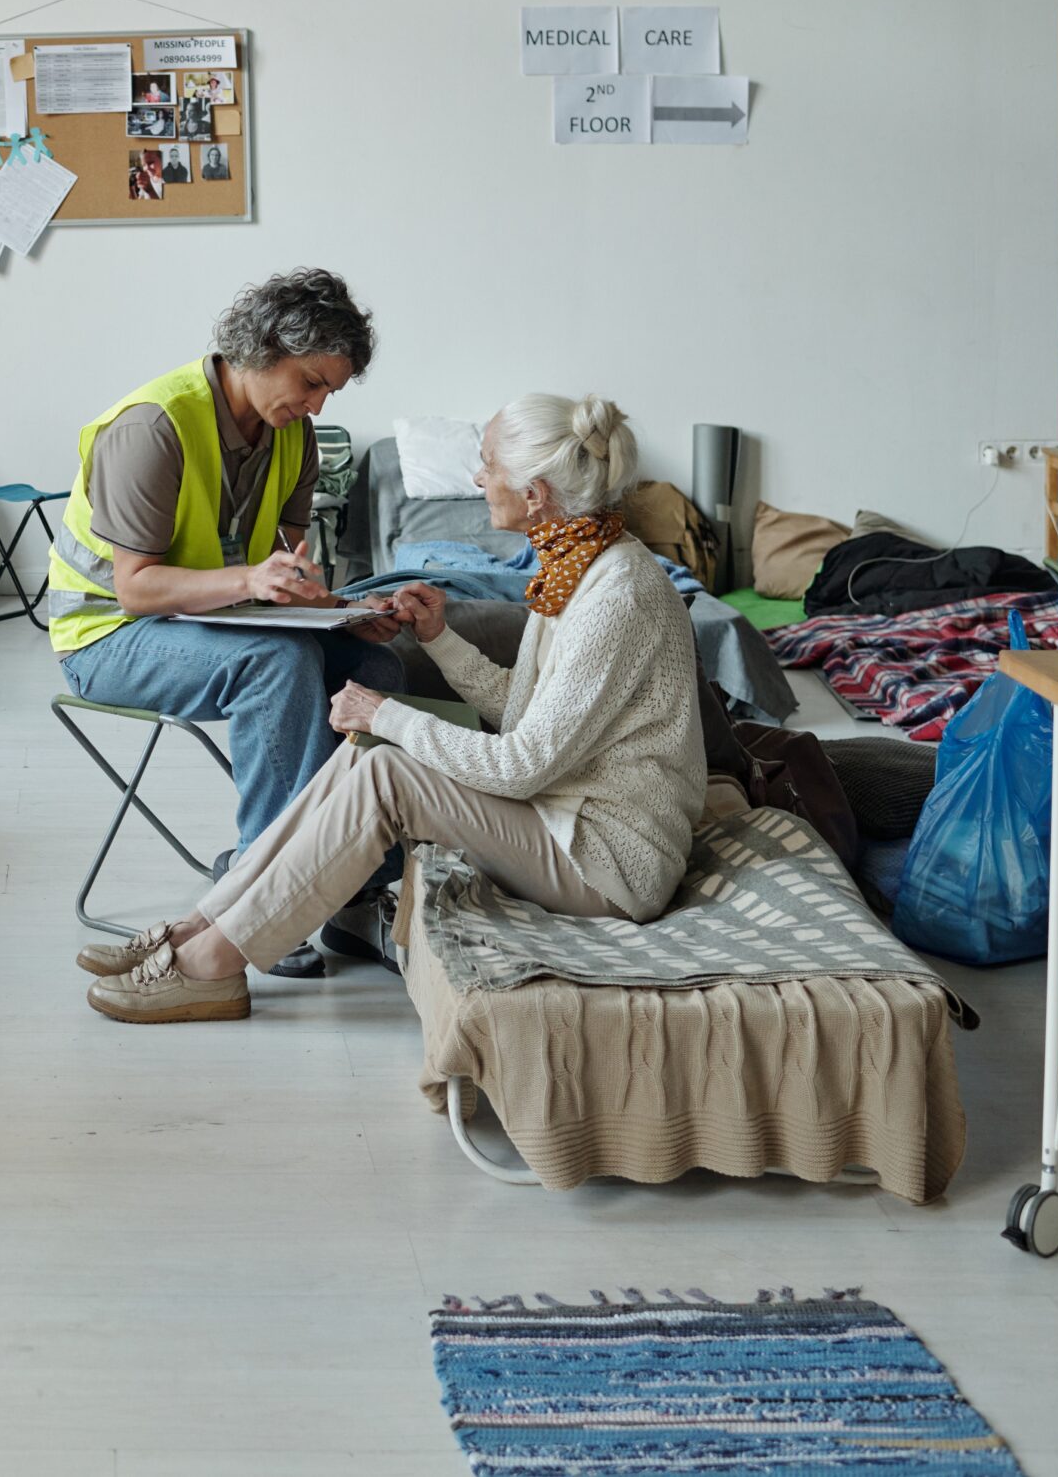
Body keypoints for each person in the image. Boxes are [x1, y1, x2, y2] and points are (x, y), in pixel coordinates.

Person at [79, 394, 707, 1023]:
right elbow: (528, 717)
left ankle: (213, 967)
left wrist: (387, 716)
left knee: (384, 767)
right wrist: (441, 639)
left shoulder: (614, 594)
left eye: (487, 466)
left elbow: (522, 764)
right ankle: (198, 930)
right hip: (566, 823)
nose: (477, 479)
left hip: (608, 864)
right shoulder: (579, 565)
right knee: (366, 760)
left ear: (535, 493)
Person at [47, 269, 406, 975]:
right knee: (275, 665)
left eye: (330, 389)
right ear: (262, 348)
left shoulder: (295, 438)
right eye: (309, 381)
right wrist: (251, 582)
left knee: (375, 669)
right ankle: (259, 900)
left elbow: (286, 570)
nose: (316, 403)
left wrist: (341, 612)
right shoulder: (154, 428)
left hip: (215, 623)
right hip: (106, 636)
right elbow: (136, 587)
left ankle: (354, 890)